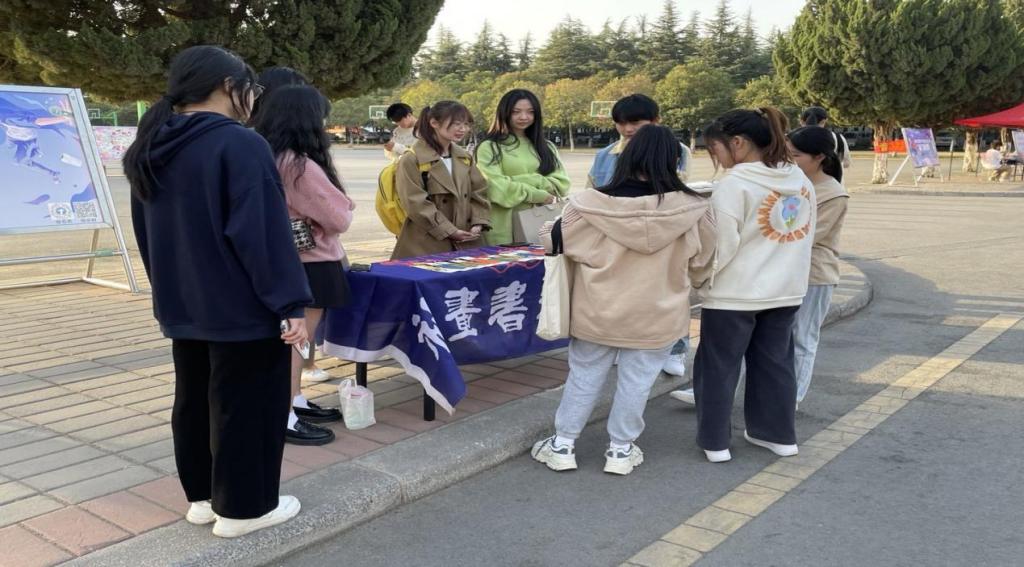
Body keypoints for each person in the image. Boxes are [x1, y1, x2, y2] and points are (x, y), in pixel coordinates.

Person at [124, 45, 309, 537]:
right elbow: (262, 235)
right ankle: (244, 510)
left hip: (183, 302)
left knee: (195, 400)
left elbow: (147, 233)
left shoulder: (151, 145)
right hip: (242, 305)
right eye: (251, 89)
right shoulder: (239, 144)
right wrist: (290, 302)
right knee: (247, 405)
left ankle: (204, 499)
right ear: (230, 87)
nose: (253, 99)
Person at [530, 125, 717, 476]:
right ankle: (620, 450)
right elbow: (703, 263)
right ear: (674, 160)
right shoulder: (695, 208)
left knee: (584, 376)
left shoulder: (589, 204)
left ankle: (563, 445)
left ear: (628, 156)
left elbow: (552, 241)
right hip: (659, 315)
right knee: (638, 382)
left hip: (596, 311)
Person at [690, 107, 816, 464]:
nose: (716, 159)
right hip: (786, 290)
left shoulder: (735, 184)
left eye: (715, 149)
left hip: (734, 294)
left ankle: (716, 443)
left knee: (718, 368)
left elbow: (720, 246)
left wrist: (698, 278)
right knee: (776, 365)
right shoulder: (800, 181)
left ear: (738, 143)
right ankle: (777, 435)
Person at [255, 85, 356, 446]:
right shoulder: (299, 165)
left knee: (293, 342)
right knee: (297, 344)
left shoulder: (267, 155)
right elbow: (340, 217)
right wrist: (345, 205)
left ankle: (294, 400)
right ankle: (284, 415)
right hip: (313, 263)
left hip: (285, 261)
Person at [589, 93, 694, 378]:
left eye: (635, 122)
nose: (628, 129)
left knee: (669, 293)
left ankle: (676, 348)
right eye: (621, 123)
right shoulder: (604, 155)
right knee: (623, 294)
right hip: (617, 236)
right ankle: (621, 343)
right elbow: (593, 193)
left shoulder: (676, 150)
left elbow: (676, 191)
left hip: (660, 232)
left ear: (656, 121)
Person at [787, 126, 850, 405]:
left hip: (814, 275)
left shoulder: (833, 194)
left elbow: (807, 235)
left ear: (820, 157)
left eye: (796, 155)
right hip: (785, 271)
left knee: (802, 338)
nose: (789, 161)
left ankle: (791, 399)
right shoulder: (793, 183)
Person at [390, 101, 491, 259]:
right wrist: (449, 230)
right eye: (457, 123)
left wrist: (478, 222)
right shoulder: (412, 159)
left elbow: (479, 191)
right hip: (427, 243)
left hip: (467, 239)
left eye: (466, 124)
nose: (463, 129)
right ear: (434, 123)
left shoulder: (465, 157)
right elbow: (415, 203)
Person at [475, 89, 570, 245]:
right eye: (516, 112)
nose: (524, 117)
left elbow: (562, 184)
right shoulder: (490, 147)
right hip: (503, 228)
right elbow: (495, 187)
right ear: (504, 113)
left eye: (530, 112)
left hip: (542, 224)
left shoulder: (547, 147)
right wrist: (539, 195)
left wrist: (518, 180)